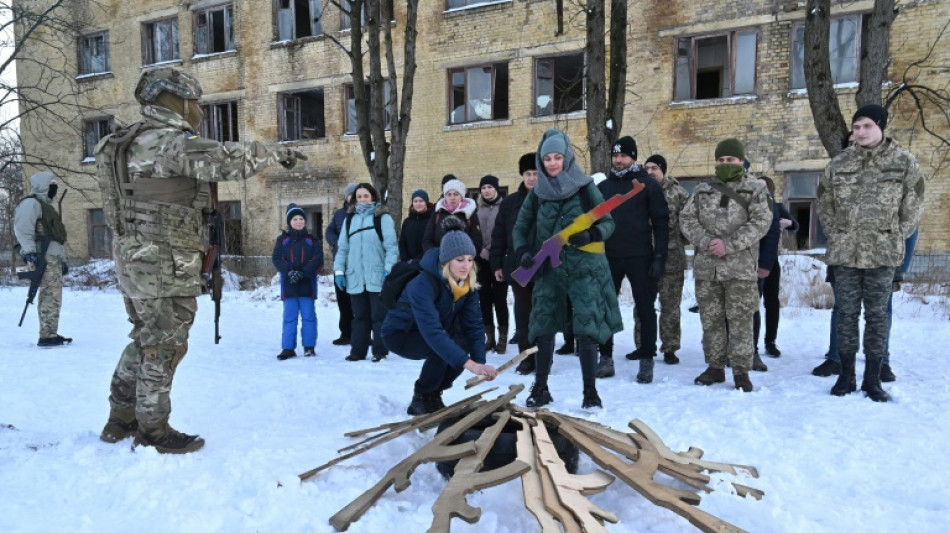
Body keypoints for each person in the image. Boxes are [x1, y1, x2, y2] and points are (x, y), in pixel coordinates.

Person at [96, 66, 301, 453]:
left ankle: (119, 419)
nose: (200, 110)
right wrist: (277, 152)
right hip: (164, 261)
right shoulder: (166, 141)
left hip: (134, 258)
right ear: (174, 101)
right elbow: (224, 160)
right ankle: (153, 430)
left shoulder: (120, 142)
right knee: (164, 344)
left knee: (144, 338)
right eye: (195, 101)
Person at [817, 104, 924, 402]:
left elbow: (914, 205)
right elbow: (824, 203)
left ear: (881, 126)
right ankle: (846, 375)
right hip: (846, 254)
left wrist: (893, 234)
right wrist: (838, 233)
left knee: (877, 317)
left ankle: (873, 379)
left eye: (867, 126)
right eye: (856, 127)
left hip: (882, 254)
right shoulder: (839, 163)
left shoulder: (903, 162)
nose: (861, 132)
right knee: (846, 315)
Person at [513, 128, 623, 409]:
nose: (552, 163)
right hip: (549, 269)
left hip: (584, 269)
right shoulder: (537, 193)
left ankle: (590, 393)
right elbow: (520, 227)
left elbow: (608, 223)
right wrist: (523, 251)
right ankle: (540, 388)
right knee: (543, 327)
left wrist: (591, 234)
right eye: (547, 158)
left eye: (557, 157)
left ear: (567, 158)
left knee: (586, 328)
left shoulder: (585, 188)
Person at [680, 138, 772, 393]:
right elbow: (686, 219)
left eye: (730, 160)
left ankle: (741, 371)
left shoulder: (755, 188)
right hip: (707, 268)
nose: (725, 164)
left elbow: (761, 222)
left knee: (741, 321)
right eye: (720, 160)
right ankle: (715, 367)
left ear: (741, 161)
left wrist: (729, 245)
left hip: (740, 269)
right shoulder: (702, 190)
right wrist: (706, 241)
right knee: (711, 320)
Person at [382, 219, 498, 415]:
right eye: (459, 260)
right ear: (446, 261)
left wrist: (480, 363)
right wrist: (470, 365)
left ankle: (434, 394)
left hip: (435, 331)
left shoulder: (467, 283)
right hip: (401, 333)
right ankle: (421, 397)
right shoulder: (422, 283)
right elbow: (433, 333)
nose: (466, 266)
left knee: (461, 342)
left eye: (470, 259)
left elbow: (473, 326)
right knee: (442, 347)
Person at [595, 136, 669, 383]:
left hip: (640, 256)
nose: (618, 160)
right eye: (615, 155)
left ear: (633, 158)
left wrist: (659, 257)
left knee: (645, 309)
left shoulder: (647, 185)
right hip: (609, 257)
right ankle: (605, 358)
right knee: (606, 308)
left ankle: (647, 360)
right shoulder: (604, 187)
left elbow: (661, 223)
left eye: (623, 155)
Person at [333, 182, 399, 362]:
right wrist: (339, 271)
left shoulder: (382, 218)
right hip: (355, 276)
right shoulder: (349, 220)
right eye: (359, 196)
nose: (362, 199)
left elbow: (391, 247)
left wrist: (389, 269)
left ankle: (380, 351)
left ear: (373, 197)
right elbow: (343, 249)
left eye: (366, 196)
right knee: (360, 317)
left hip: (377, 275)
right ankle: (358, 351)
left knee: (378, 316)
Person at [491, 153, 539, 373]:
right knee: (523, 314)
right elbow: (499, 235)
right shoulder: (510, 203)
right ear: (522, 175)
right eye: (528, 173)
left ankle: (543, 356)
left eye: (536, 174)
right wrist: (497, 264)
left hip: (545, 265)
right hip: (519, 266)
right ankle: (526, 357)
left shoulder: (549, 199)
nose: (532, 178)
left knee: (543, 313)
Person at [14, 171, 71, 347]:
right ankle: (47, 336)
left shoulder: (46, 207)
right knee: (49, 295)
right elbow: (22, 229)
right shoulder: (31, 203)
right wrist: (30, 252)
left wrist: (62, 260)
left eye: (55, 185)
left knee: (53, 296)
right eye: (51, 185)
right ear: (42, 185)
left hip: (52, 257)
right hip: (42, 257)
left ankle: (49, 332)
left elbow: (55, 238)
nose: (54, 188)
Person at [641, 154, 688, 366]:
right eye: (647, 168)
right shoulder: (638, 191)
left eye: (654, 168)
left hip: (672, 260)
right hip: (643, 258)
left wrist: (675, 242)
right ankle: (643, 345)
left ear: (663, 171)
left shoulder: (678, 194)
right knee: (643, 305)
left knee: (670, 307)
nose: (650, 172)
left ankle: (670, 348)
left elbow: (687, 225)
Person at [752, 176, 799, 369]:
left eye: (764, 186)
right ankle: (751, 345)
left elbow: (795, 225)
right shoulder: (750, 205)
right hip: (752, 260)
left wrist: (788, 224)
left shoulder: (776, 207)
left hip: (771, 261)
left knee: (771, 302)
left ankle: (770, 342)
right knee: (752, 303)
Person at [272, 203, 323, 360]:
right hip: (289, 285)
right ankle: (288, 348)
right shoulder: (282, 240)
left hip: (307, 284)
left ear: (305, 221)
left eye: (301, 219)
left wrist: (303, 273)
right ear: (290, 222)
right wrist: (289, 271)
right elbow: (277, 258)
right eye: (295, 219)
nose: (298, 221)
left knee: (309, 316)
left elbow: (317, 259)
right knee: (290, 317)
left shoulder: (312, 240)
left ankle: (309, 347)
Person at [475, 174, 509, 354]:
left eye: (490, 187)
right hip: (480, 260)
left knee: (500, 299)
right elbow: (474, 232)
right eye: (483, 187)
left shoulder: (504, 207)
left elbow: (506, 232)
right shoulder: (476, 209)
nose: (486, 190)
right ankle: (490, 337)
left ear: (496, 189)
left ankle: (503, 337)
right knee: (484, 299)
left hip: (499, 259)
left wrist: (492, 250)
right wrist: (481, 249)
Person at [326, 183, 357, 346]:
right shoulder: (339, 214)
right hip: (341, 265)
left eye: (356, 194)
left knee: (359, 302)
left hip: (358, 265)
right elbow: (329, 232)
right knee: (343, 301)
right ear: (346, 197)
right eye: (350, 194)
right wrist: (337, 243)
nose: (353, 197)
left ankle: (362, 334)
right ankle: (346, 333)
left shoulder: (363, 214)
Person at [422, 178, 482, 252]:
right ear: (445, 196)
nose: (452, 198)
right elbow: (427, 240)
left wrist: (464, 256)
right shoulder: (437, 213)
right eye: (449, 194)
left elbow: (477, 241)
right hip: (439, 256)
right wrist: (435, 254)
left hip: (463, 257)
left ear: (461, 197)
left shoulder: (470, 213)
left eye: (456, 194)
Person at [398, 189, 433, 262]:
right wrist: (406, 260)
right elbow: (402, 243)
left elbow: (431, 243)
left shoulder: (431, 221)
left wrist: (417, 260)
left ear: (426, 202)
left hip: (425, 261)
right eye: (415, 201)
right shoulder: (407, 222)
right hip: (408, 263)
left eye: (421, 201)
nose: (418, 204)